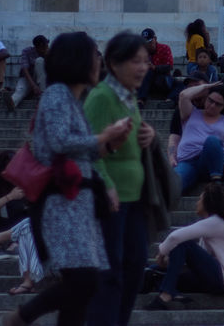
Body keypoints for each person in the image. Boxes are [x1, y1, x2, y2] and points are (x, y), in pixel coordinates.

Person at [0, 32, 133, 326]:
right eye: (94, 55)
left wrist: (109, 145)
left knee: (84, 287)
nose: (99, 61)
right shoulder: (57, 95)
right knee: (83, 281)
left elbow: (84, 150)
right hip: (61, 204)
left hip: (78, 204)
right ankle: (22, 317)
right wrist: (104, 136)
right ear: (78, 60)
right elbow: (61, 141)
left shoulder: (74, 100)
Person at [83, 31, 158, 326]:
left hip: (133, 199)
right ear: (114, 63)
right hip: (110, 200)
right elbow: (87, 145)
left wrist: (150, 135)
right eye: (135, 61)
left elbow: (132, 140)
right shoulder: (101, 97)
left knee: (136, 265)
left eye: (145, 61)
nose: (142, 67)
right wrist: (106, 184)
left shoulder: (129, 97)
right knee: (110, 273)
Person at [147, 183, 224, 310]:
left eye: (200, 199)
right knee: (156, 271)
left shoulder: (217, 222)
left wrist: (161, 253)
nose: (197, 202)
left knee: (185, 243)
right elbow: (200, 260)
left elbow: (175, 237)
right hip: (215, 280)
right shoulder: (212, 227)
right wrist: (170, 262)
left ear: (209, 202)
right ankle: (172, 292)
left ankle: (166, 295)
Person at [173, 82, 224, 193]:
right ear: (206, 98)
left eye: (218, 104)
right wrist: (205, 87)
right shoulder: (190, 113)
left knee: (212, 141)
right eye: (210, 100)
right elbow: (183, 96)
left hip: (215, 163)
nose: (212, 105)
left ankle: (217, 183)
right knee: (174, 184)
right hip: (188, 162)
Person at [7, 35, 50, 111]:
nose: (46, 48)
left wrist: (47, 56)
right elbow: (24, 69)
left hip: (44, 81)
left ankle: (42, 97)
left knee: (40, 61)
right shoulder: (27, 51)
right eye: (43, 47)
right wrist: (33, 86)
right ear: (37, 48)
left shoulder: (50, 52)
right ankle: (12, 102)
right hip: (29, 78)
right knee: (21, 89)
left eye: (46, 46)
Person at [137, 29, 175, 105]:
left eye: (150, 42)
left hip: (162, 80)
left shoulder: (165, 48)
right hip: (147, 81)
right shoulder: (141, 52)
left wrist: (155, 68)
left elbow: (169, 67)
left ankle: (141, 99)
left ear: (155, 39)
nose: (148, 45)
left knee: (150, 71)